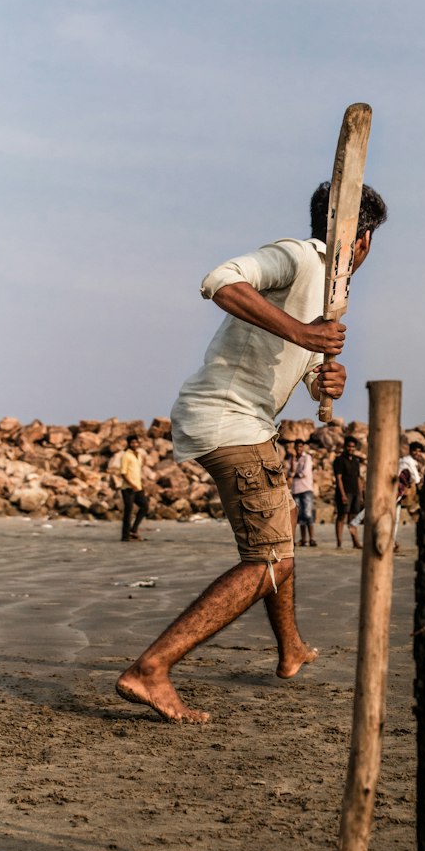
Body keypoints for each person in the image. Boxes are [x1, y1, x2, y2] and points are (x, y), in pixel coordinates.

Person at [115, 181, 387, 723]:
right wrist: (304, 335)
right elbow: (220, 281)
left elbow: (305, 367)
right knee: (270, 559)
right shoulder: (301, 255)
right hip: (228, 418)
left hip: (250, 421)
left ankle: (290, 649)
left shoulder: (332, 293)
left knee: (281, 526)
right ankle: (152, 668)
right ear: (361, 239)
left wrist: (323, 377)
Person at [115, 435, 149, 543]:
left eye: (136, 442)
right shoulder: (126, 455)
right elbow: (123, 473)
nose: (134, 444)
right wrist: (132, 484)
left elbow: (137, 472)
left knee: (145, 507)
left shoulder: (138, 455)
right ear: (129, 443)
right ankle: (125, 536)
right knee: (128, 512)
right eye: (132, 443)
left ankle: (133, 530)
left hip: (138, 487)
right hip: (128, 488)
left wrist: (140, 485)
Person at [333, 435, 364, 549]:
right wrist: (342, 494)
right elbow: (338, 478)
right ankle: (339, 543)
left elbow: (358, 479)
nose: (351, 448)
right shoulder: (339, 460)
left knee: (353, 518)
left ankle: (355, 542)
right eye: (349, 446)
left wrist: (360, 495)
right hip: (345, 492)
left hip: (355, 492)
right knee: (342, 516)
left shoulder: (356, 461)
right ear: (345, 447)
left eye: (353, 447)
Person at [395, 441, 425, 545]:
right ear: (410, 451)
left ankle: (391, 541)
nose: (417, 453)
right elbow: (417, 479)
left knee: (395, 518)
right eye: (415, 451)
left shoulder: (412, 462)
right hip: (397, 491)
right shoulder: (407, 462)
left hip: (401, 492)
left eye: (419, 451)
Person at [288, 437, 317, 548]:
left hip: (306, 489)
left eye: (300, 446)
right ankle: (304, 540)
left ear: (303, 447)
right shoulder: (294, 459)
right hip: (296, 490)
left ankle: (312, 539)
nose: (299, 448)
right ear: (294, 447)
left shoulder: (307, 458)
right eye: (297, 446)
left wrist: (293, 475)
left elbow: (303, 473)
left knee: (308, 514)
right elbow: (290, 472)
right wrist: (292, 462)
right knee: (300, 516)